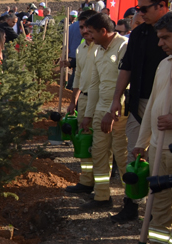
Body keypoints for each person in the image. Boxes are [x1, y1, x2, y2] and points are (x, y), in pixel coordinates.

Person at [132, 10, 172, 244]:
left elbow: (170, 116)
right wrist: (142, 142)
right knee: (158, 202)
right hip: (158, 149)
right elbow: (152, 105)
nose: (160, 43)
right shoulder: (164, 64)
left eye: (165, 37)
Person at [108, 0, 169, 222]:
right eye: (138, 9)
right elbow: (127, 67)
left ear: (162, 5)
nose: (139, 13)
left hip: (167, 107)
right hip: (138, 104)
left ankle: (157, 210)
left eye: (144, 9)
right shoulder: (139, 33)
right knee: (134, 153)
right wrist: (117, 99)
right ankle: (132, 203)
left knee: (159, 158)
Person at [79, 13, 129, 210]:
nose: (88, 36)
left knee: (122, 155)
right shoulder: (99, 51)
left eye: (91, 32)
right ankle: (101, 196)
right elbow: (95, 85)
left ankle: (131, 200)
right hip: (101, 111)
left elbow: (127, 84)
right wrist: (89, 115)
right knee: (99, 153)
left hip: (119, 111)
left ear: (104, 31)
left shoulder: (124, 47)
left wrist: (112, 111)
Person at [65, 10, 101, 196]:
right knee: (83, 140)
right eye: (81, 27)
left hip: (100, 101)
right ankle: (86, 181)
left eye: (88, 26)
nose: (85, 30)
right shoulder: (80, 49)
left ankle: (102, 183)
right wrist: (74, 101)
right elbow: (78, 76)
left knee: (100, 144)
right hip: (84, 100)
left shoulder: (101, 48)